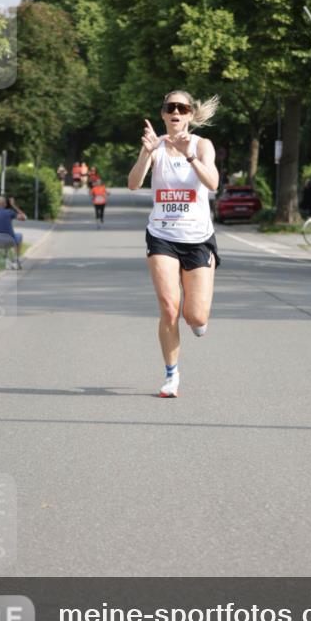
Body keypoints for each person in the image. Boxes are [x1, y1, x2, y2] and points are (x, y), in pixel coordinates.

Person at [128, 90, 221, 398]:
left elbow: (213, 183)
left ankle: (197, 319)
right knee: (169, 308)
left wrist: (189, 156)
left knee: (196, 316)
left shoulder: (202, 145)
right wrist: (146, 153)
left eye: (182, 108)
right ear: (163, 114)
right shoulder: (156, 146)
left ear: (190, 114)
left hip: (197, 238)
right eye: (171, 107)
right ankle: (171, 376)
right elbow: (133, 183)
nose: (176, 112)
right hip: (162, 235)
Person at [0, 195, 27, 268]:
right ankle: (16, 259)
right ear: (5, 204)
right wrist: (13, 205)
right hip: (10, 241)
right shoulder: (9, 212)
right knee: (20, 235)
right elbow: (24, 217)